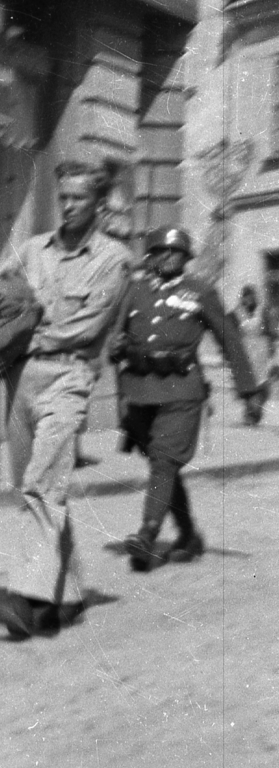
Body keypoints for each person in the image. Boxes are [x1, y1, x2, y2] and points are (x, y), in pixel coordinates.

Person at [0, 160, 129, 639]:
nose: (68, 206)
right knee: (28, 486)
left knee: (44, 486)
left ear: (99, 204)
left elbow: (86, 328)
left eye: (79, 198)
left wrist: (30, 333)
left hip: (69, 379)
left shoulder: (113, 259)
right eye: (64, 197)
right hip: (21, 380)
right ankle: (64, 594)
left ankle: (26, 600)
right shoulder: (33, 250)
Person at [109, 227, 264, 570]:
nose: (167, 257)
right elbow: (114, 338)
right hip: (139, 391)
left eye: (175, 252)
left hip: (182, 389)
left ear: (186, 258)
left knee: (164, 461)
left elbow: (231, 341)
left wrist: (249, 392)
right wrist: (115, 347)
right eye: (160, 251)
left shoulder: (200, 292)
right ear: (150, 256)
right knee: (163, 465)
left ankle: (147, 533)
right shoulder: (134, 291)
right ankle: (189, 535)